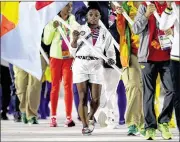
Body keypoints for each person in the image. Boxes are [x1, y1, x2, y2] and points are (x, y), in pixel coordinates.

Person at [70, 2, 116, 135]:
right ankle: (85, 126)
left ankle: (90, 117)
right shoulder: (79, 29)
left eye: (96, 15)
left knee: (96, 99)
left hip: (96, 65)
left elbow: (110, 50)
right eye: (91, 15)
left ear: (100, 16)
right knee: (83, 97)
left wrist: (112, 58)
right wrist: (74, 40)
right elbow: (72, 51)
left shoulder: (105, 33)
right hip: (81, 64)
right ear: (87, 16)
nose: (93, 17)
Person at [132, 1, 174, 140]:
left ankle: (164, 122)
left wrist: (173, 31)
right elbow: (136, 29)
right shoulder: (145, 5)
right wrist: (145, 15)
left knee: (172, 90)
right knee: (148, 93)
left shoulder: (173, 5)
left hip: (169, 56)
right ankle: (150, 127)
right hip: (148, 57)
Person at [43, 2, 76, 127]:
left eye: (70, 5)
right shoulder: (52, 20)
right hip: (56, 57)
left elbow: (76, 30)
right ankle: (53, 117)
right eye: (67, 5)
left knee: (68, 86)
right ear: (60, 7)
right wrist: (52, 26)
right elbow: (46, 41)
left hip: (68, 58)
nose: (69, 8)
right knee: (55, 87)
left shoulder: (72, 20)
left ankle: (68, 117)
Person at [116, 1, 144, 136]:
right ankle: (133, 122)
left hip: (153, 52)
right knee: (133, 86)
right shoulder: (127, 6)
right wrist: (120, 16)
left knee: (146, 90)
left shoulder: (153, 4)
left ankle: (146, 122)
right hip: (131, 52)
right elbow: (121, 30)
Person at [159, 1, 180, 132]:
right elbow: (163, 25)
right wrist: (168, 8)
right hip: (177, 56)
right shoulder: (175, 6)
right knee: (178, 95)